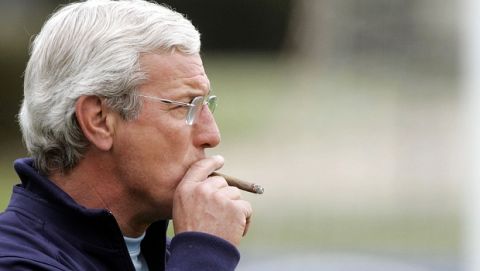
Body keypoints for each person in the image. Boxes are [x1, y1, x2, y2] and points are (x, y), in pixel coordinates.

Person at [0, 0, 253, 270]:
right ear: (99, 120)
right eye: (184, 106)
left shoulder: (167, 258)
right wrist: (204, 254)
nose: (211, 135)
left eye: (205, 105)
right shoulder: (17, 261)